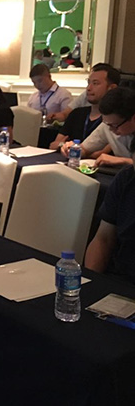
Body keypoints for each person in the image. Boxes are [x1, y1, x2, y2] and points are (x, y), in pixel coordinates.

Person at [84, 88, 135, 281]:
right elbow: (103, 239)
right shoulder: (125, 180)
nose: (114, 132)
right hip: (122, 277)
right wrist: (90, 282)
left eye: (115, 126)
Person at [49, 64, 120, 150]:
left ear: (111, 88)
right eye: (88, 83)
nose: (89, 88)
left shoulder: (114, 120)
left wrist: (68, 147)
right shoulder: (77, 114)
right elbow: (54, 145)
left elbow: (100, 153)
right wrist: (62, 145)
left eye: (95, 83)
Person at [61, 87, 134, 167]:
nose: (111, 129)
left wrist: (123, 161)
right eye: (108, 124)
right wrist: (73, 149)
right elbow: (85, 149)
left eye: (115, 125)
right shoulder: (107, 126)